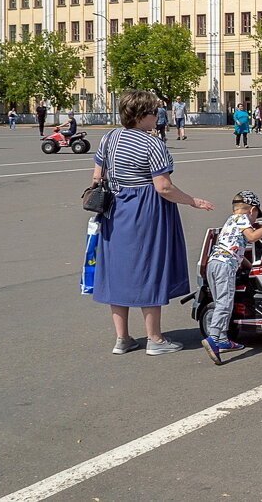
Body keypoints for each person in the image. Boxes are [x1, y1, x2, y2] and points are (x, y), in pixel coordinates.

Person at [91, 89, 214, 356]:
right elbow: (163, 187)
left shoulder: (109, 137)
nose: (158, 115)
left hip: (114, 210)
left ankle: (122, 338)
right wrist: (193, 200)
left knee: (118, 270)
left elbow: (97, 175)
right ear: (142, 115)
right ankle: (155, 339)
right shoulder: (152, 143)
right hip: (146, 210)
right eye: (154, 111)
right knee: (149, 267)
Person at [202, 190, 262, 365]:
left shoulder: (230, 221)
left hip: (214, 263)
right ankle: (213, 338)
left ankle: (224, 339)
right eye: (256, 215)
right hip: (225, 266)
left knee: (223, 302)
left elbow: (239, 254)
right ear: (252, 210)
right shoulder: (242, 218)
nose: (255, 220)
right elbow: (252, 237)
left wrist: (253, 269)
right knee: (225, 303)